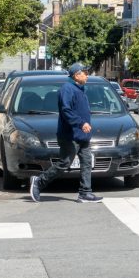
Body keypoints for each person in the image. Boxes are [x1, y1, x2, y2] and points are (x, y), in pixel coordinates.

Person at [30, 63, 102, 203]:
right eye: (85, 72)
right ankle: (39, 181)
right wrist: (81, 123)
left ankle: (85, 192)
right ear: (76, 75)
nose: (87, 75)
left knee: (87, 162)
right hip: (70, 135)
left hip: (82, 136)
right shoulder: (67, 89)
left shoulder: (80, 89)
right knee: (65, 163)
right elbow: (66, 110)